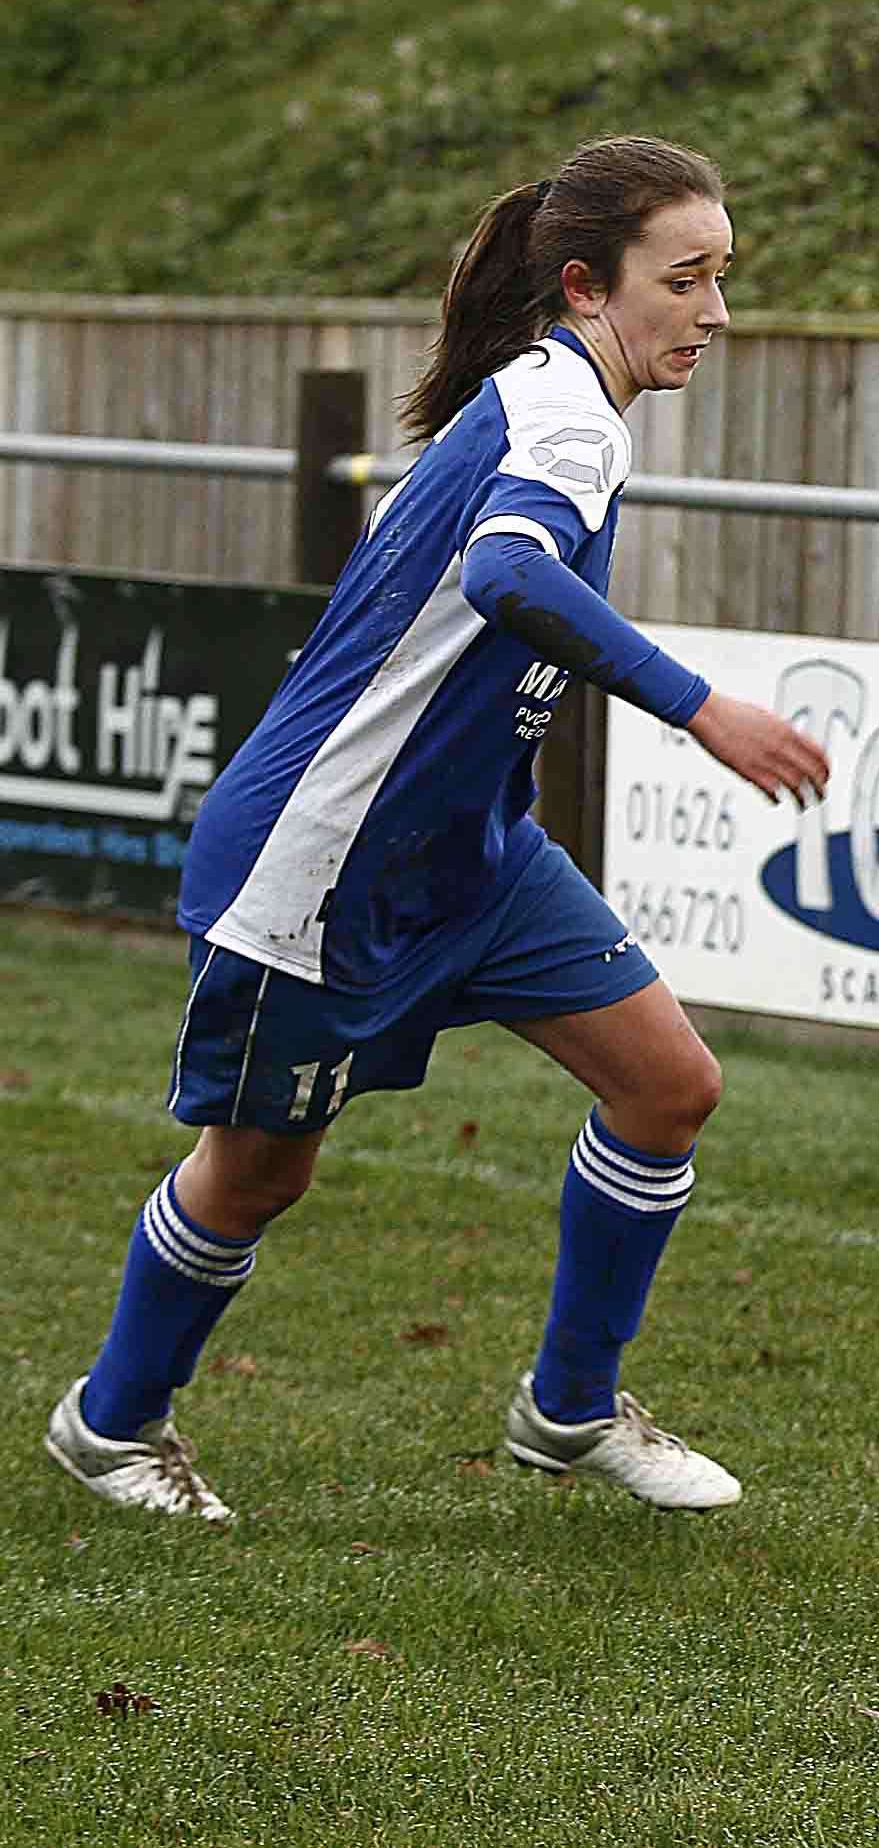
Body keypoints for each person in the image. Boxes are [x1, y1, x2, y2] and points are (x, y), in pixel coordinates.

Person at [43, 135, 830, 1524]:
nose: (715, 312)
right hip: (323, 864)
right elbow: (509, 572)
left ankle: (571, 1412)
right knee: (259, 1173)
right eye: (688, 279)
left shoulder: (552, 397)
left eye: (725, 278)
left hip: (472, 854)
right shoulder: (566, 419)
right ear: (587, 288)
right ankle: (112, 1425)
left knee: (667, 1085)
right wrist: (697, 705)